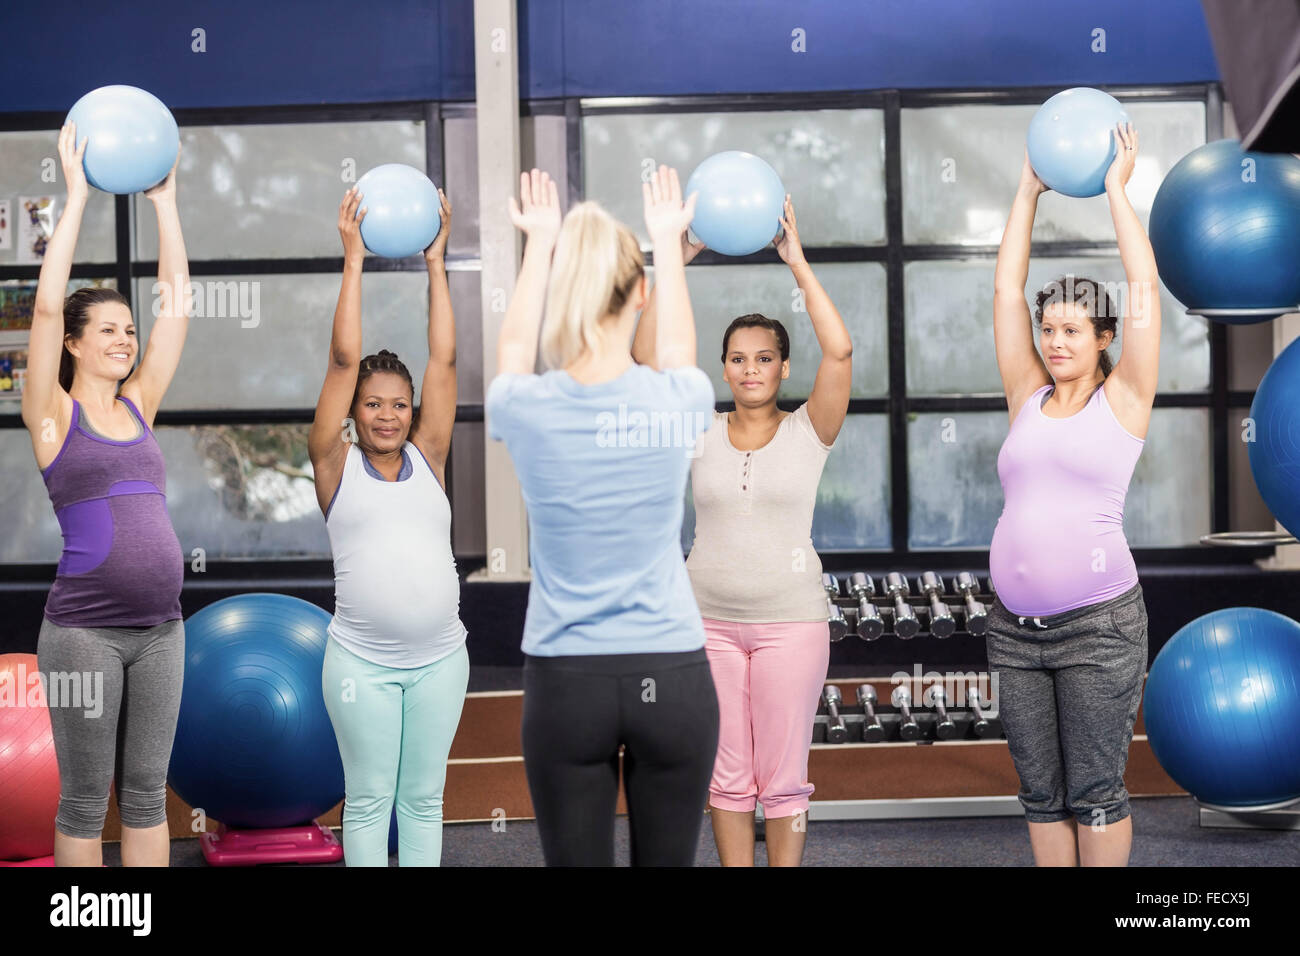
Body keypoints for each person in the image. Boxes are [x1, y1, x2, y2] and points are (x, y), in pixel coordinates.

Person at [486, 166, 719, 866]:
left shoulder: (524, 408)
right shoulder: (678, 400)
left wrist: (538, 243)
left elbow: (511, 354)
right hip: (672, 676)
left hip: (566, 683)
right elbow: (678, 353)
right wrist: (668, 243)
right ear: (639, 291)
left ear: (566, 292)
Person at [632, 196, 851, 866]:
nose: (750, 368)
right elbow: (645, 359)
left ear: (783, 368)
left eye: (763, 358)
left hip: (792, 624)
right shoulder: (696, 428)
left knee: (783, 780)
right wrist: (675, 260)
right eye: (737, 358)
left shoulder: (810, 429)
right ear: (724, 368)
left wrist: (797, 262)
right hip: (708, 625)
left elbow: (839, 349)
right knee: (725, 776)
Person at [987, 123, 1160, 866]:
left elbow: (1145, 287)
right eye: (1047, 328)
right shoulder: (1026, 394)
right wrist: (1027, 190)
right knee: (1039, 793)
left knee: (1095, 790)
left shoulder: (1125, 400)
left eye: (1071, 331)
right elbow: (1003, 288)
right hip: (1013, 631)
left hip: (1099, 627)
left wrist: (1116, 191)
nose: (1055, 342)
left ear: (1104, 337)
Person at [24, 124, 187, 867]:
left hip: (162, 629)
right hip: (85, 632)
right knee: (87, 798)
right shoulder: (53, 416)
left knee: (149, 794)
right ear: (76, 343)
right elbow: (47, 308)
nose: (127, 339)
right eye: (110, 330)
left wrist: (168, 203)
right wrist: (79, 196)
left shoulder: (139, 405)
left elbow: (177, 309)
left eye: (130, 328)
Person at [311, 185, 468, 866]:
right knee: (371, 797)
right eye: (373, 404)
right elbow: (343, 361)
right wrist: (353, 259)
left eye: (398, 405)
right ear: (355, 410)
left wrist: (437, 263)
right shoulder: (332, 462)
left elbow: (445, 363)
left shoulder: (430, 456)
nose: (386, 415)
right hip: (361, 666)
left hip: (442, 662)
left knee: (425, 799)